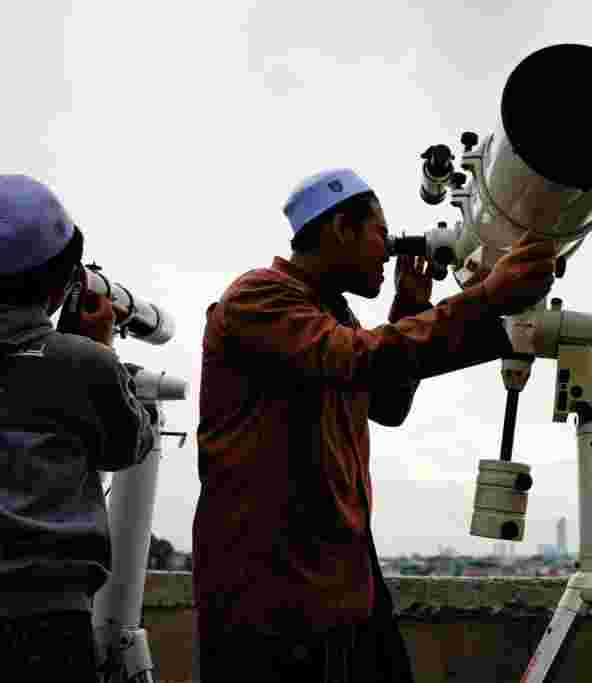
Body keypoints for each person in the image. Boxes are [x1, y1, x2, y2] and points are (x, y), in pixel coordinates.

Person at [194, 168, 556, 681]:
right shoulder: (258, 299)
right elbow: (359, 359)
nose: (387, 251)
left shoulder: (330, 316)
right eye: (379, 235)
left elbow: (387, 404)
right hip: (270, 591)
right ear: (341, 228)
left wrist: (411, 305)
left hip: (341, 577)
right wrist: (486, 297)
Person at [0, 174, 157, 681]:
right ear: (62, 283)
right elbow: (127, 446)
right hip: (45, 620)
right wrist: (100, 349)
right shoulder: (84, 365)